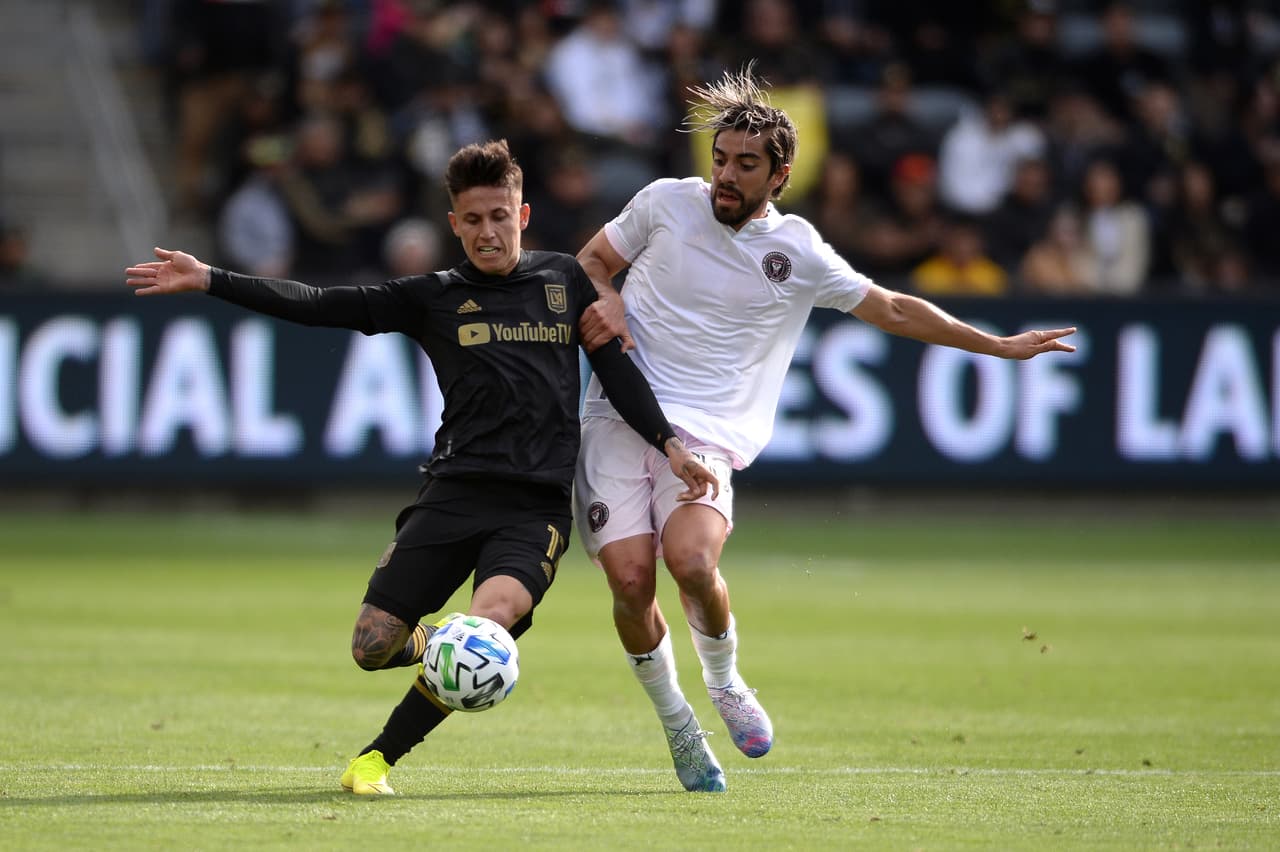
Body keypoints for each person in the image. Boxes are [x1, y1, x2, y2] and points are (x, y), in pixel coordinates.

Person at [124, 139, 719, 796]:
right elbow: (321, 304)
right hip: (454, 493)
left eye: (500, 215)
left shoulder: (562, 281)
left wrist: (669, 443)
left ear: (521, 217)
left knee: (482, 633)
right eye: (473, 219)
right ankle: (433, 646)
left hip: (534, 508)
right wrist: (212, 278)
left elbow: (613, 369)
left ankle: (375, 760)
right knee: (373, 646)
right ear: (454, 225)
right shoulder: (433, 296)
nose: (487, 231)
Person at [572, 66, 1077, 793]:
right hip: (620, 415)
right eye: (720, 159)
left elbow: (895, 309)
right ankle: (678, 723)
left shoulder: (799, 252)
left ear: (779, 177)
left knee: (690, 562)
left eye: (746, 165)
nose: (725, 175)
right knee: (628, 579)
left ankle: (724, 680)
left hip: (710, 431)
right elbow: (592, 261)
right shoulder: (662, 204)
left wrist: (996, 345)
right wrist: (608, 300)